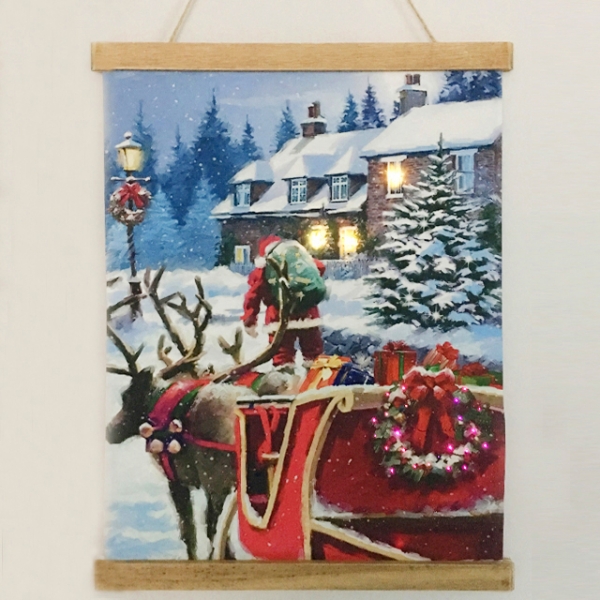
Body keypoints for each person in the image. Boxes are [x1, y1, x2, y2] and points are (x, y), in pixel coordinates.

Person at [241, 235, 325, 367]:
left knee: (282, 355)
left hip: (279, 318)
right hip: (308, 314)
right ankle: (316, 375)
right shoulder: (300, 262)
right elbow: (320, 267)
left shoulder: (264, 268)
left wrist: (250, 320)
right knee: (313, 352)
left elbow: (253, 296)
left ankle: (285, 376)